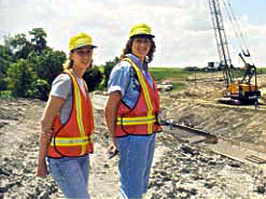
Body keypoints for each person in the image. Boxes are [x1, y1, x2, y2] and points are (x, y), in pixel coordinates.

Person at [105, 23, 162, 199]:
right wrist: (113, 138)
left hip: (147, 136)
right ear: (130, 43)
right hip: (130, 137)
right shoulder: (125, 69)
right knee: (131, 190)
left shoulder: (143, 69)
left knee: (139, 186)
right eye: (138, 41)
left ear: (151, 45)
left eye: (146, 41)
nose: (143, 45)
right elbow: (110, 106)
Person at [37, 32, 96, 199]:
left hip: (81, 156)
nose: (85, 56)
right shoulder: (65, 81)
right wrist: (41, 162)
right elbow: (45, 123)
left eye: (88, 52)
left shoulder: (81, 82)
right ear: (71, 55)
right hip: (63, 158)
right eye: (80, 52)